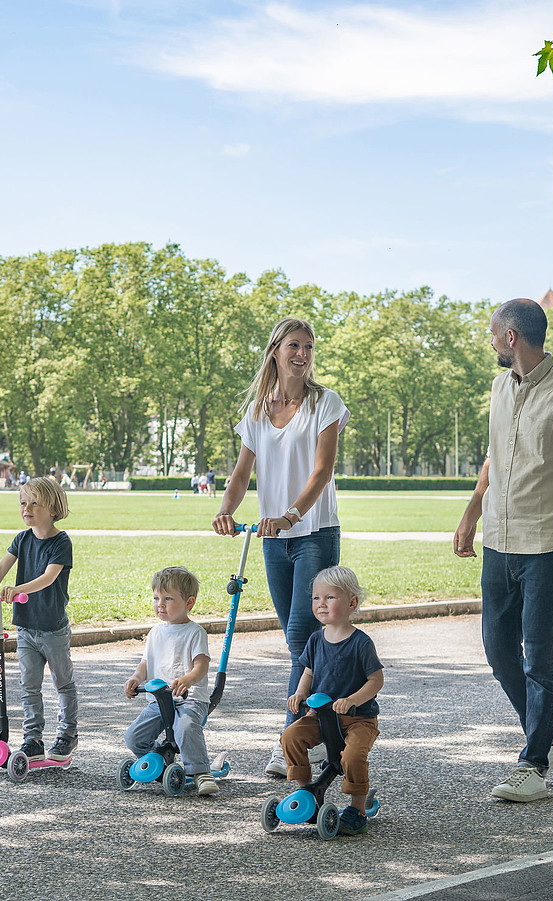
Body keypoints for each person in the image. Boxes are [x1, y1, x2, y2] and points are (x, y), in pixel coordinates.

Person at [453, 298, 553, 802]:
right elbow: (495, 455)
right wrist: (472, 512)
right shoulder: (501, 387)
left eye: (493, 333)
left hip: (547, 545)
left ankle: (534, 762)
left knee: (540, 654)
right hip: (499, 539)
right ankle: (548, 733)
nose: (491, 341)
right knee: (498, 649)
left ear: (512, 337)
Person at [213, 316, 349, 777]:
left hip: (312, 532)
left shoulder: (325, 404)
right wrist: (226, 510)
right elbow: (241, 474)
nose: (302, 354)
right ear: (275, 350)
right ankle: (315, 730)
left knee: (299, 637)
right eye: (294, 345)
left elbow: (322, 471)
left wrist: (292, 514)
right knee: (302, 644)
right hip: (273, 539)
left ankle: (292, 737)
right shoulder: (257, 411)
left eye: (308, 347)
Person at [0, 476, 78, 762]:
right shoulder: (22, 539)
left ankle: (68, 735)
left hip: (53, 629)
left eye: (35, 503)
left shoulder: (61, 542)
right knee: (28, 686)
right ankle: (32, 739)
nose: (27, 508)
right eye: (23, 502)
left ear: (53, 508)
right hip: (26, 627)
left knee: (63, 683)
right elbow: (2, 565)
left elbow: (48, 578)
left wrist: (17, 590)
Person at [281, 565, 384, 836]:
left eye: (330, 598)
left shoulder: (361, 643)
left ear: (351, 603)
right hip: (321, 715)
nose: (321, 604)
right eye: (316, 598)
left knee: (352, 756)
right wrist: (300, 694)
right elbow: (308, 671)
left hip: (358, 718)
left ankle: (357, 808)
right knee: (291, 736)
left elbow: (376, 681)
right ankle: (306, 791)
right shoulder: (316, 640)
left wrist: (351, 699)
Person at [122, 566, 219, 797]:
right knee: (134, 737)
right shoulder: (155, 632)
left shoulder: (195, 633)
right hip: (160, 701)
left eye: (168, 598)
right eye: (156, 598)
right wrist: (136, 678)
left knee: (184, 728)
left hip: (189, 700)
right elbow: (146, 663)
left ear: (189, 602)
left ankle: (200, 771)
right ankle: (158, 761)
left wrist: (188, 679)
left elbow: (201, 665)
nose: (160, 604)